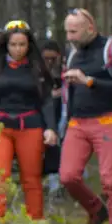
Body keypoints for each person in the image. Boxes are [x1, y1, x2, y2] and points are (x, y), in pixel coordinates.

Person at [60, 8, 112, 224]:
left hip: (107, 120)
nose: (69, 37)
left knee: (111, 182)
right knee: (68, 176)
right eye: (67, 31)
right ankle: (97, 210)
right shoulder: (73, 54)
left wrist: (88, 81)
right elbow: (70, 92)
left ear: (90, 28)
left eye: (74, 31)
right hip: (77, 123)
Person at [0, 20, 57, 220]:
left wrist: (51, 128)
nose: (18, 49)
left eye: (22, 45)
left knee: (32, 179)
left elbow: (46, 100)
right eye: (13, 44)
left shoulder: (37, 68)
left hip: (30, 127)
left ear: (29, 46)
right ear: (5, 44)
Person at [41, 39, 64, 188]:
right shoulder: (35, 71)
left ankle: (57, 185)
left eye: (53, 58)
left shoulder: (66, 70)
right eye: (46, 58)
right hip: (43, 116)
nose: (49, 62)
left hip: (63, 115)